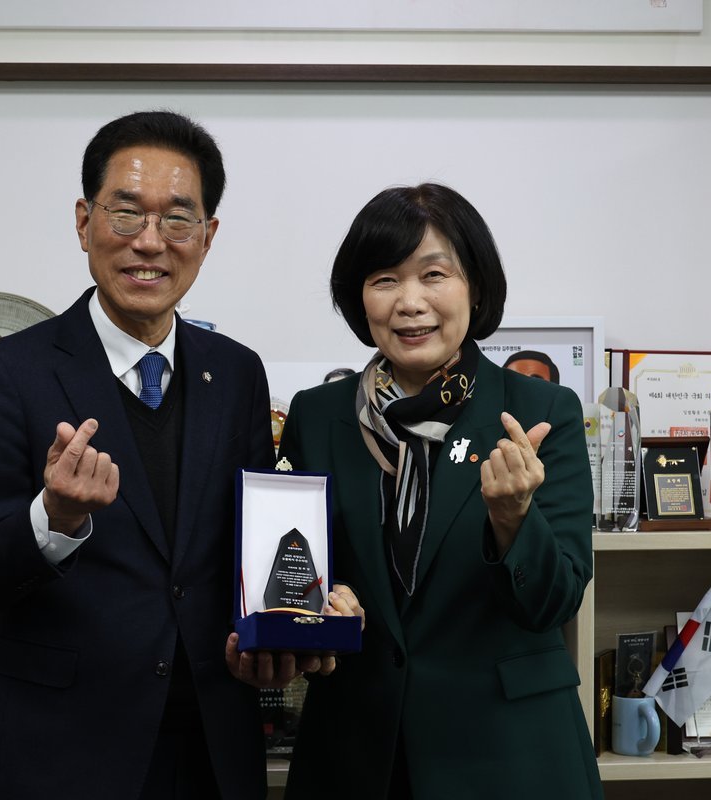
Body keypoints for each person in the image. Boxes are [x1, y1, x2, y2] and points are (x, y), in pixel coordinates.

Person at [0, 111, 356, 800]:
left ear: (207, 236)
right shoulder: (8, 374)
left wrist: (293, 624)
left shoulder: (237, 373)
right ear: (84, 222)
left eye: (178, 219)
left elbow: (252, 557)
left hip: (212, 748)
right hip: (65, 753)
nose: (149, 242)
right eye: (126, 212)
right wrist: (54, 519)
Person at [278, 183, 602, 798]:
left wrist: (513, 518)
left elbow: (554, 604)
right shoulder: (317, 416)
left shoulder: (540, 411)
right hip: (357, 750)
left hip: (509, 753)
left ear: (474, 286)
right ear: (359, 297)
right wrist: (323, 607)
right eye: (385, 280)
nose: (410, 302)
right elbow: (294, 571)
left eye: (434, 275)